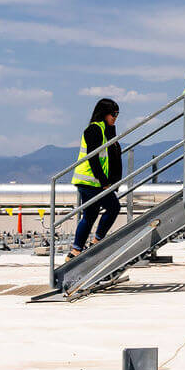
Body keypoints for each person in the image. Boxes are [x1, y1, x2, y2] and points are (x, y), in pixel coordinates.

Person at [69, 97, 122, 257]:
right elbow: (93, 159)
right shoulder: (94, 129)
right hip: (91, 181)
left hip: (92, 182)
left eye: (117, 114)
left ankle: (75, 251)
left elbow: (113, 155)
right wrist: (104, 182)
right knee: (114, 207)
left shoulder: (105, 130)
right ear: (104, 113)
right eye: (113, 114)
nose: (115, 117)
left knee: (90, 215)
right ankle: (96, 242)